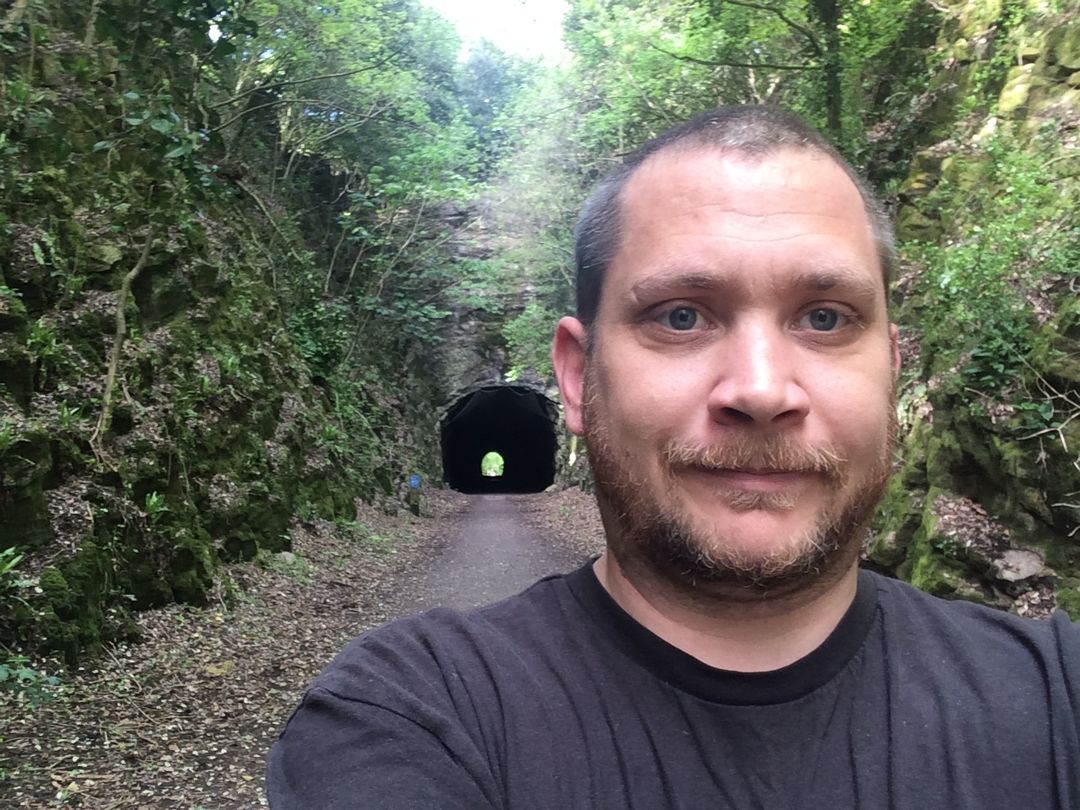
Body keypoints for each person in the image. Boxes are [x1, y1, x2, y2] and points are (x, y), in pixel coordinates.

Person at [266, 106, 1080, 808]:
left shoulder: (1059, 697)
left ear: (893, 369)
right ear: (578, 378)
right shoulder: (413, 715)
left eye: (826, 318)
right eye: (681, 316)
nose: (760, 390)